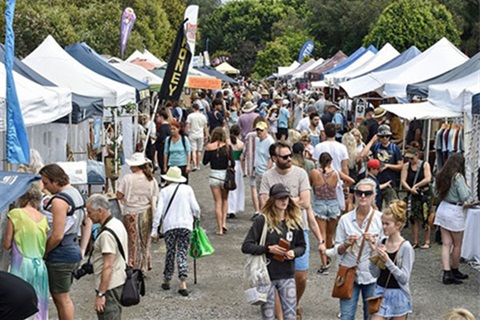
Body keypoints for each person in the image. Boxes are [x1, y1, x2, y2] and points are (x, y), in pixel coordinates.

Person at [259, 142, 325, 318]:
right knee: (278, 277)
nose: (290, 159)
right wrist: (293, 199)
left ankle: (294, 302)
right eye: (285, 156)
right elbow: (264, 205)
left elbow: (306, 202)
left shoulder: (300, 173)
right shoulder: (267, 177)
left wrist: (281, 199)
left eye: (290, 155)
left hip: (297, 228)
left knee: (301, 275)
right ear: (274, 159)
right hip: (273, 230)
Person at [242, 183, 306, 320]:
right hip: (266, 277)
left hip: (287, 274)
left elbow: (302, 246)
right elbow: (246, 246)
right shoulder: (262, 221)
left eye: (286, 198)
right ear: (272, 200)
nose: (284, 201)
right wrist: (268, 249)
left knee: (290, 315)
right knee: (268, 316)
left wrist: (294, 253)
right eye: (280, 198)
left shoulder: (294, 222)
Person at [39, 164, 92, 320]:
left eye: (47, 183)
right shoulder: (77, 194)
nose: (46, 187)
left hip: (60, 253)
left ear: (55, 181)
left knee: (61, 299)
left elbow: (57, 235)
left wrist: (44, 252)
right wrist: (82, 249)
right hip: (73, 247)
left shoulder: (59, 201)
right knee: (64, 297)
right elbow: (87, 223)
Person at [335, 178, 383, 320]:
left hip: (372, 276)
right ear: (354, 195)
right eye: (359, 193)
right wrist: (346, 244)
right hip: (350, 273)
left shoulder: (381, 219)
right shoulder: (345, 220)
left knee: (371, 316)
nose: (363, 196)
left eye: (367, 193)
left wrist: (375, 244)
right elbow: (337, 249)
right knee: (346, 316)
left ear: (374, 196)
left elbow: (387, 250)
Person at [151, 167, 201, 296]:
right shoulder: (187, 189)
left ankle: (167, 279)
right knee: (182, 252)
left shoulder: (164, 191)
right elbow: (196, 208)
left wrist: (154, 229)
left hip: (169, 226)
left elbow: (159, 211)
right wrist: (196, 218)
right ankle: (183, 281)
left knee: (170, 252)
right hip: (185, 225)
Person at [3, 182, 49, 320]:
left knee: (19, 303)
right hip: (40, 265)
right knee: (39, 303)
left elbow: (7, 244)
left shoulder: (15, 214)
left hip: (21, 264)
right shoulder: (44, 218)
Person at [310, 152, 354, 275]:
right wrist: (342, 186)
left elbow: (309, 185)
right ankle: (329, 256)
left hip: (319, 204)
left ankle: (324, 264)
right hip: (333, 204)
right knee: (330, 235)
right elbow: (351, 180)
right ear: (330, 161)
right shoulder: (335, 173)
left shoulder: (314, 172)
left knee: (322, 236)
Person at [369, 200, 414, 320]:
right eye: (382, 223)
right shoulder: (382, 242)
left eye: (387, 224)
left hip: (398, 294)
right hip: (380, 291)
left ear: (398, 225)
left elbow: (404, 278)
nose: (383, 227)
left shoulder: (406, 247)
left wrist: (388, 261)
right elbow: (374, 273)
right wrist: (374, 252)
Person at [85, 194, 128, 320]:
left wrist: (101, 294)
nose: (88, 216)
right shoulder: (117, 223)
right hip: (119, 279)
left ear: (100, 210)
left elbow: (108, 265)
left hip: (109, 286)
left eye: (89, 212)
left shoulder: (106, 235)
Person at [117, 153, 158, 272]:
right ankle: (144, 264)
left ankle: (132, 264)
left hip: (131, 212)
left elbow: (119, 195)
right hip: (146, 212)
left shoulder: (128, 178)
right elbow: (155, 197)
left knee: (132, 240)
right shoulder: (151, 179)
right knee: (144, 241)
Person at [434, 153, 471, 284]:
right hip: (454, 210)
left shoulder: (440, 175)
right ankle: (455, 270)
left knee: (446, 243)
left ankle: (446, 272)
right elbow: (464, 195)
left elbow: (435, 192)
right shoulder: (458, 177)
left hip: (443, 208)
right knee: (457, 244)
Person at [203, 127, 235, 235]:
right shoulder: (227, 147)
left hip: (214, 176)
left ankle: (219, 229)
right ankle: (224, 223)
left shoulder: (209, 147)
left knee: (217, 202)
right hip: (225, 176)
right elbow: (233, 163)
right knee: (225, 200)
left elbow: (204, 162)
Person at [363, 124, 403, 209]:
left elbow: (400, 166)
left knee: (392, 208)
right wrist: (372, 141)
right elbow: (364, 154)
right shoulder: (376, 146)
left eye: (387, 136)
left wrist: (387, 166)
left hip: (390, 182)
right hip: (376, 181)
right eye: (382, 136)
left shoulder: (394, 148)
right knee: (375, 208)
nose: (385, 138)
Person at [400, 148, 432, 249]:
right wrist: (410, 189)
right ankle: (415, 241)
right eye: (408, 159)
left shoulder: (425, 165)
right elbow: (403, 180)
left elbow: (428, 178)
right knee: (413, 217)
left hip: (424, 193)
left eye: (412, 158)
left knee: (425, 216)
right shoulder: (406, 166)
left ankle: (427, 241)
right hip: (412, 194)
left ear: (417, 156)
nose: (410, 160)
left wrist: (416, 186)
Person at [243, 116, 269, 219]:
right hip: (258, 166)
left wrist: (243, 160)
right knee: (259, 190)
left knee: (254, 189)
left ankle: (257, 210)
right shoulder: (260, 138)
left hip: (252, 165)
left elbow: (245, 150)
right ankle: (262, 211)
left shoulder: (250, 136)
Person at [252, 121, 275, 219]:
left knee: (265, 195)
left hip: (265, 171)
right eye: (257, 130)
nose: (259, 132)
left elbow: (271, 157)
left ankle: (267, 214)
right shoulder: (257, 140)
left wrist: (267, 171)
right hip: (258, 170)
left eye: (261, 130)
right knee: (259, 194)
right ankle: (263, 213)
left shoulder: (270, 141)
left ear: (266, 130)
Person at [227, 125, 245, 219]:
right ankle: (235, 207)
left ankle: (229, 207)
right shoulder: (241, 144)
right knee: (237, 187)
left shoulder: (226, 142)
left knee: (228, 187)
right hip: (237, 166)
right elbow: (242, 158)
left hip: (228, 165)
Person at [186, 102, 208, 172]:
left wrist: (186, 132)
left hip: (192, 134)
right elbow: (205, 127)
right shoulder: (203, 116)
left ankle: (194, 165)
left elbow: (188, 125)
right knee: (199, 150)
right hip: (200, 134)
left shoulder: (190, 116)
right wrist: (206, 135)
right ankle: (198, 165)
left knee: (193, 150)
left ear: (193, 108)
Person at [154, 111, 171, 177]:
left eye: (157, 117)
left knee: (162, 164)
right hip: (165, 149)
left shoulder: (162, 128)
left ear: (161, 117)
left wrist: (157, 140)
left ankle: (164, 179)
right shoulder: (168, 127)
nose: (156, 118)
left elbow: (162, 138)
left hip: (162, 149)